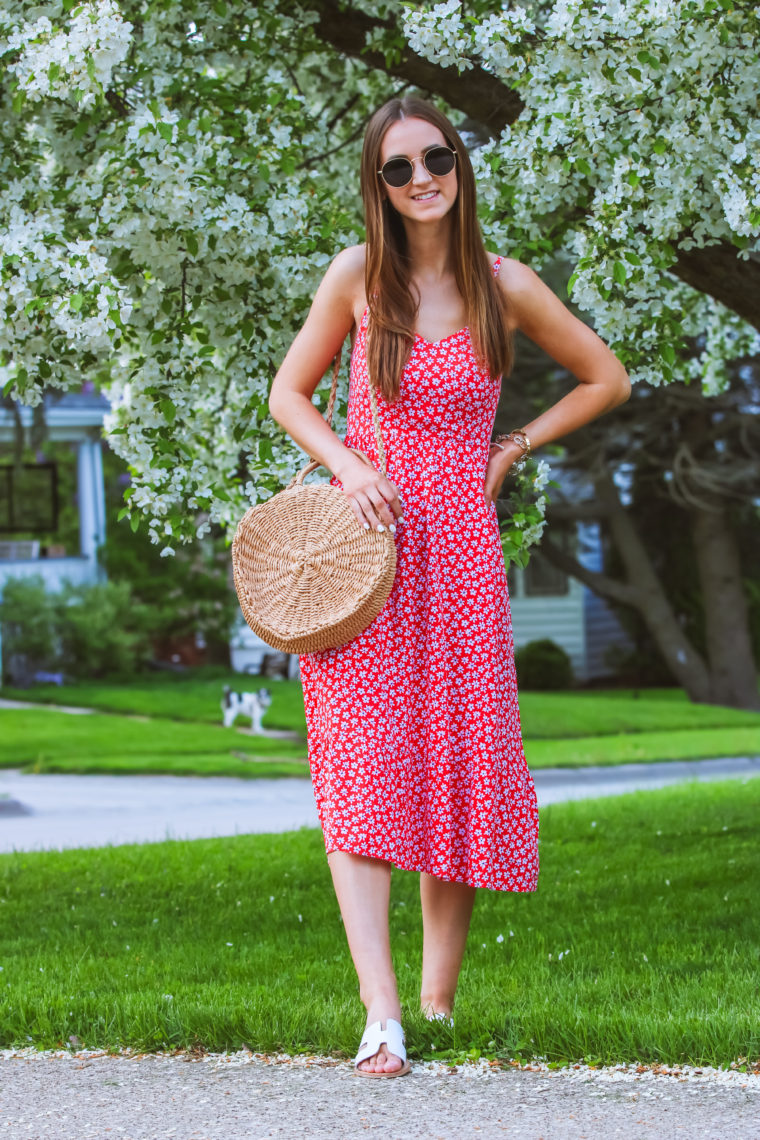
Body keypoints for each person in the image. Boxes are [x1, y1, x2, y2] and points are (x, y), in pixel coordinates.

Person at [268, 94, 631, 1078]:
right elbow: (287, 394)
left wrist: (513, 443)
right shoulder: (355, 278)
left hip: (462, 554)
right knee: (362, 771)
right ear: (377, 187)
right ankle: (381, 1015)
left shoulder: (505, 285)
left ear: (458, 166)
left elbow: (605, 376)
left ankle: (436, 999)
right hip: (365, 557)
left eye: (436, 158)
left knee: (454, 768)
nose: (422, 177)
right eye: (399, 168)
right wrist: (347, 465)